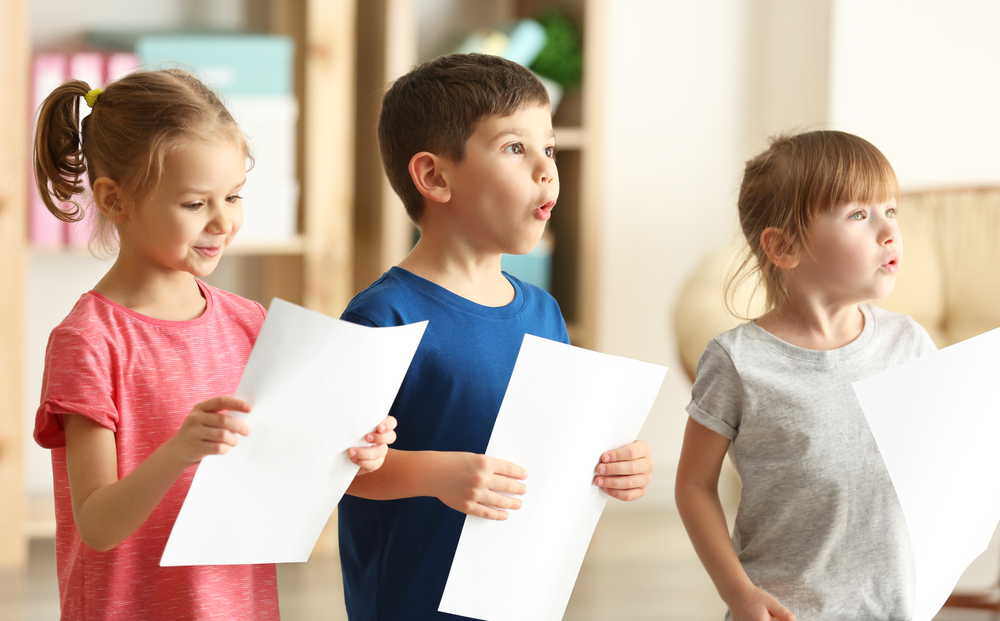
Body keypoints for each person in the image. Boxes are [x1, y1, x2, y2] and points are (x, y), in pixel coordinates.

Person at [31, 69, 396, 621]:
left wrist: (352, 450)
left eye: (233, 196)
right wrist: (180, 450)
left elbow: (278, 468)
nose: (223, 221)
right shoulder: (89, 340)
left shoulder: (247, 322)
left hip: (237, 605)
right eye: (195, 204)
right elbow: (97, 525)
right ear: (114, 200)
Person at [337, 53, 655, 620]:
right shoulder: (383, 315)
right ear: (434, 176)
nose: (546, 170)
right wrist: (437, 474)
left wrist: (614, 464)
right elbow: (334, 471)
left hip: (519, 598)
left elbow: (551, 444)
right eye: (515, 148)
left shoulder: (544, 311)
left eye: (549, 149)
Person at [675, 130, 937, 621]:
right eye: (859, 214)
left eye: (891, 210)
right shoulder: (737, 362)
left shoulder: (911, 345)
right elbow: (693, 486)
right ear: (785, 247)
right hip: (782, 612)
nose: (889, 231)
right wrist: (738, 593)